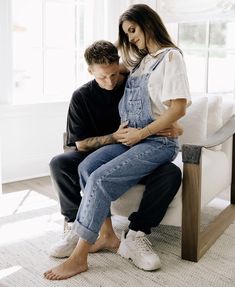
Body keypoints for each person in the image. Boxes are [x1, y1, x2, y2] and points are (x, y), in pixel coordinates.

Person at [44, 5, 191, 276]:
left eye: (133, 30)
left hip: (155, 142)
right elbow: (106, 58)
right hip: (132, 140)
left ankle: (79, 256)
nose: (131, 38)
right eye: (126, 33)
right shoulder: (141, 61)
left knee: (99, 177)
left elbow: (178, 108)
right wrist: (123, 38)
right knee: (86, 167)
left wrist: (152, 130)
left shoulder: (171, 58)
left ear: (149, 23)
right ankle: (108, 235)